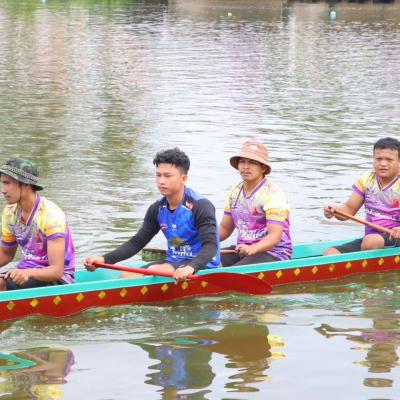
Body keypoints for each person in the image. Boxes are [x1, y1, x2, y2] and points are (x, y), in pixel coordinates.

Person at [84, 148, 220, 281]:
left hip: (202, 264)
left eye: (167, 176)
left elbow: (210, 246)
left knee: (156, 270)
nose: (161, 181)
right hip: (174, 262)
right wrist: (104, 259)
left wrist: (191, 267)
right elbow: (137, 243)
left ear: (183, 178)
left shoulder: (200, 206)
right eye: (158, 175)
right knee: (126, 276)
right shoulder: (157, 209)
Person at [0, 159, 75, 291]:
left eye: (7, 183)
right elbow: (6, 253)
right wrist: (25, 272)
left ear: (26, 185)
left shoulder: (51, 216)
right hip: (26, 272)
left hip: (58, 280)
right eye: (2, 183)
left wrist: (28, 273)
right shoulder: (9, 213)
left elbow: (56, 270)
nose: (3, 190)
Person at [219, 140, 292, 266]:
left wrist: (253, 248)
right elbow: (225, 228)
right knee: (203, 260)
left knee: (233, 271)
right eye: (242, 161)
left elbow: (275, 236)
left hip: (274, 253)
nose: (246, 167)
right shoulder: (234, 192)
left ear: (263, 168)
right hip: (242, 249)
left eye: (252, 162)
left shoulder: (273, 194)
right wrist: (200, 241)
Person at [323, 137, 400, 255]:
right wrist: (333, 211)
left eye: (389, 160)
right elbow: (348, 210)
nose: (383, 164)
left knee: (370, 241)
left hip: (395, 238)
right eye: (378, 159)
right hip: (369, 240)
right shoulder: (367, 179)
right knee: (330, 253)